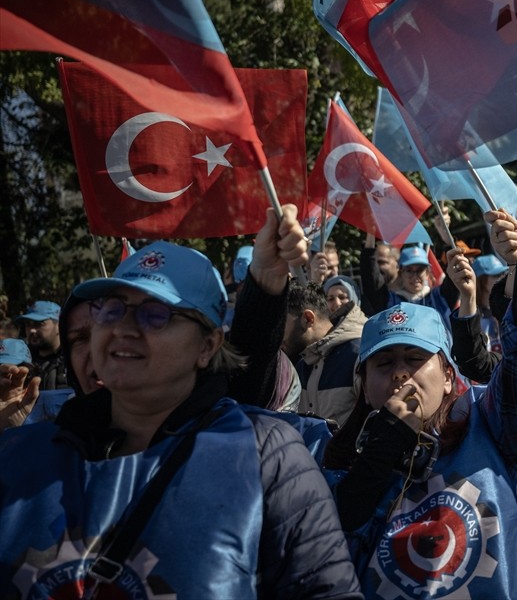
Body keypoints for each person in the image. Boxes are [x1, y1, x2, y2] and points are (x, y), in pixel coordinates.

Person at [0, 238, 361, 598]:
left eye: (155, 314)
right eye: (112, 309)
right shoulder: (16, 455)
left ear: (208, 346)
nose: (123, 328)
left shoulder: (265, 455)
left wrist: (265, 283)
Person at [323, 167, 517, 599]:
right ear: (360, 382)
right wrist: (383, 449)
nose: (400, 373)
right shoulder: (337, 452)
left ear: (450, 373)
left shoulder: (489, 423)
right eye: (384, 364)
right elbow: (331, 539)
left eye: (415, 359)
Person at [285, 278, 369, 429]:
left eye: (281, 324)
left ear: (308, 318)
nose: (276, 334)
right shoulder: (302, 363)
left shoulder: (360, 355)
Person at [14, 300, 68, 390]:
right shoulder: (19, 361)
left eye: (39, 324)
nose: (32, 330)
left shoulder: (74, 359)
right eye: (28, 324)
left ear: (59, 326)